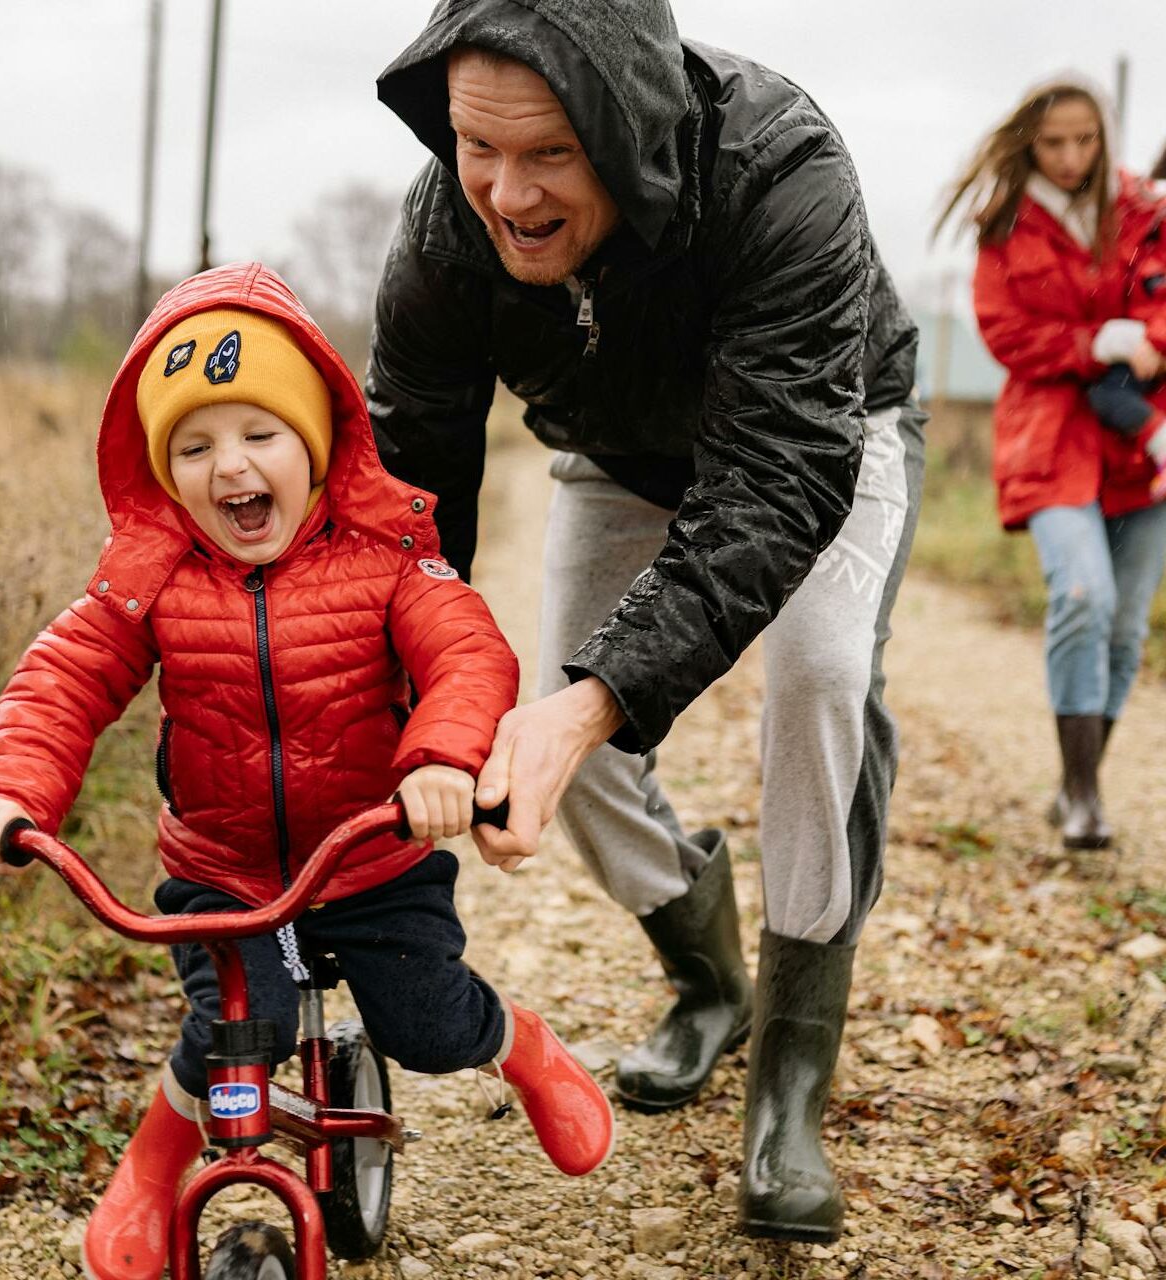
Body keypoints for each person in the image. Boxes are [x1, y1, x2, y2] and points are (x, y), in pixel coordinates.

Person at [367, 0, 923, 1244]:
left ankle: (789, 1078)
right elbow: (408, 489)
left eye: (549, 152)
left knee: (820, 675)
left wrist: (594, 699)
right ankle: (705, 977)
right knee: (561, 714)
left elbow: (778, 477)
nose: (505, 194)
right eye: (476, 147)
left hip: (823, 434)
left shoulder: (782, 169)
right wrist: (400, 693)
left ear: (625, 129)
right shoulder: (440, 231)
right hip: (614, 454)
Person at [0, 263, 615, 1280]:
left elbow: (467, 653)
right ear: (164, 471)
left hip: (369, 859)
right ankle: (149, 1169)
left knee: (428, 1026)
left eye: (259, 433)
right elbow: (65, 676)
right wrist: (5, 790)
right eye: (194, 444)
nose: (230, 468)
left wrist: (438, 759)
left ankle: (519, 1045)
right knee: (230, 1033)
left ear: (314, 440)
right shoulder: (152, 575)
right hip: (225, 872)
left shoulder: (386, 556)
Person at [937, 80, 1166, 850]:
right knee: (1082, 595)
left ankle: (1081, 783)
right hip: (1051, 439)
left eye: (1085, 140)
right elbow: (1005, 332)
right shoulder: (1005, 226)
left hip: (1144, 441)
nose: (1071, 158)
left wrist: (1151, 346)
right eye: (1054, 142)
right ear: (1029, 143)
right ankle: (1081, 793)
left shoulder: (1144, 210)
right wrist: (1095, 343)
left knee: (1127, 628)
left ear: (1104, 137)